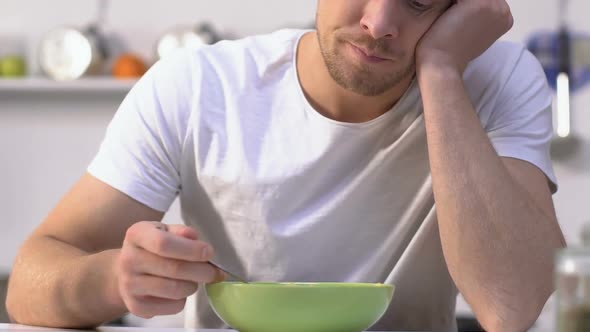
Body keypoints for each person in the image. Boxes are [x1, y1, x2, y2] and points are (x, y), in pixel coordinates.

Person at [6, 0, 566, 331]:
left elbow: (510, 308)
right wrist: (114, 278)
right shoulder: (200, 85)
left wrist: (441, 70)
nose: (379, 22)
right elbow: (28, 283)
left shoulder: (493, 80)